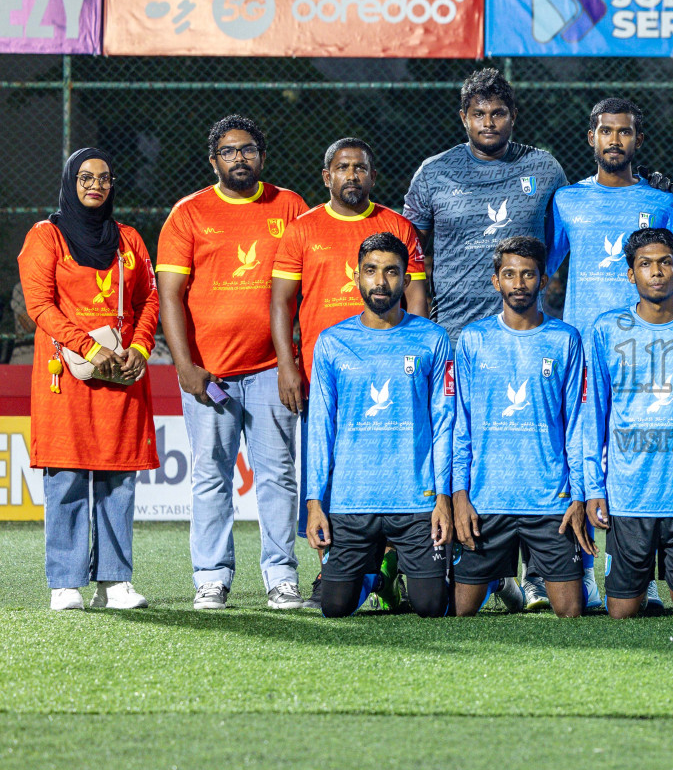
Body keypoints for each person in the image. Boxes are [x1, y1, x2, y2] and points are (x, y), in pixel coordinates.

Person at [156, 115, 309, 611]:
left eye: (247, 149)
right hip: (210, 374)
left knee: (278, 475)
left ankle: (281, 576)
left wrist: (295, 362)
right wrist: (185, 366)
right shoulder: (189, 213)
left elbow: (305, 291)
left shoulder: (288, 206)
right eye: (228, 151)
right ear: (213, 160)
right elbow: (170, 296)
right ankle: (211, 576)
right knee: (210, 475)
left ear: (262, 156)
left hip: (271, 368)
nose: (238, 158)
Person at [271, 137, 428, 606]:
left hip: (395, 374)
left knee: (399, 467)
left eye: (361, 167)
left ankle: (392, 567)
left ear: (372, 176)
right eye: (343, 167)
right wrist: (287, 365)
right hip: (330, 376)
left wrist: (417, 360)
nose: (352, 175)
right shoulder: (302, 229)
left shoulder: (397, 225)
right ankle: (337, 569)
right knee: (331, 467)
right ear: (327, 177)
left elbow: (417, 298)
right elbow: (281, 302)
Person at [546, 97, 673, 610]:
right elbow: (544, 268)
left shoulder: (663, 203)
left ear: (637, 142)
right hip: (585, 352)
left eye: (624, 132)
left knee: (644, 457)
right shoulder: (566, 201)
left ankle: (647, 575)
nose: (614, 140)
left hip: (648, 352)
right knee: (582, 459)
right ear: (591, 138)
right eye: (606, 131)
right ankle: (581, 574)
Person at [19, 148, 158, 611]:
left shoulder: (129, 239)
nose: (94, 185)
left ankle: (114, 582)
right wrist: (88, 346)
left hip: (119, 372)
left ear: (112, 184)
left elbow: (147, 301)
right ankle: (65, 582)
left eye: (103, 177)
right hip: (69, 377)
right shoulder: (46, 237)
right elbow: (40, 306)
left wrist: (138, 348)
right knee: (69, 476)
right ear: (70, 182)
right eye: (84, 178)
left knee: (119, 477)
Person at [583, 227, 673, 619]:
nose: (656, 271)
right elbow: (593, 414)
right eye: (645, 264)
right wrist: (594, 488)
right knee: (621, 612)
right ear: (630, 274)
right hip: (629, 493)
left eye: (665, 263)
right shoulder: (605, 329)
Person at [304, 232, 454, 619]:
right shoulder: (332, 342)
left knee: (431, 606)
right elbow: (321, 426)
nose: (380, 282)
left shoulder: (433, 339)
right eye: (371, 271)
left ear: (406, 280)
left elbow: (444, 421)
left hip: (416, 501)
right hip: (353, 501)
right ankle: (383, 574)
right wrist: (315, 502)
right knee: (334, 608)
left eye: (391, 272)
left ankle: (407, 570)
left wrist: (443, 497)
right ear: (356, 277)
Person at [450, 236, 590, 618]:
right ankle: (501, 579)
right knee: (458, 613)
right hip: (486, 501)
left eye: (528, 275)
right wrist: (460, 494)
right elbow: (460, 425)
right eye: (509, 274)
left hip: (550, 503)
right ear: (496, 282)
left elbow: (577, 426)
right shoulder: (474, 339)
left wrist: (578, 495)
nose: (519, 283)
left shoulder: (565, 339)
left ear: (543, 281)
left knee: (571, 614)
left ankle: (521, 579)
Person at [402, 67, 568, 342]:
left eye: (498, 113)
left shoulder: (544, 168)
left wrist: (539, 275)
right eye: (479, 114)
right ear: (464, 118)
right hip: (453, 331)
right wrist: (416, 318)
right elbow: (409, 250)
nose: (488, 122)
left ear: (513, 116)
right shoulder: (434, 172)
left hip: (525, 331)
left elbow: (562, 236)